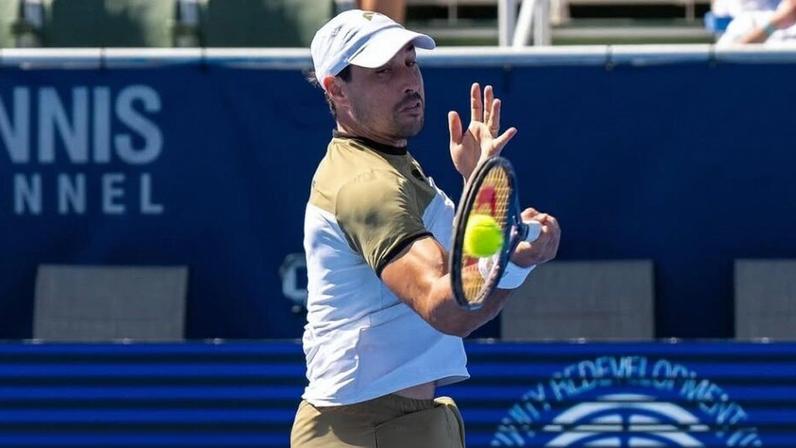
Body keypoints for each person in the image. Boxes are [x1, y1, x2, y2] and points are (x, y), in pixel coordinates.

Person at [290, 9, 561, 448]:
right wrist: (514, 263)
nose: (408, 81)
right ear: (336, 89)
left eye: (410, 63)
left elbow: (467, 271)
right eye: (383, 72)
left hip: (396, 424)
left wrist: (479, 186)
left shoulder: (389, 164)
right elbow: (449, 307)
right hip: (368, 432)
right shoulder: (369, 184)